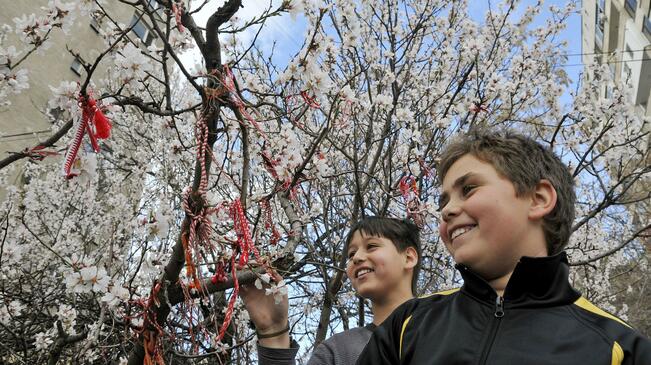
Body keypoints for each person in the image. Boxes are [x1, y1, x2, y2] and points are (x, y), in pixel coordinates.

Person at [356, 130, 651, 364]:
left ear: (538, 199)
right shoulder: (409, 323)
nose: (446, 211)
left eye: (468, 189)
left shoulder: (618, 347)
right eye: (444, 201)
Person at [240, 216, 421, 365]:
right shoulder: (339, 350)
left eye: (372, 246)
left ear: (409, 257)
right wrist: (274, 331)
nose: (356, 258)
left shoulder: (445, 322)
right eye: (351, 254)